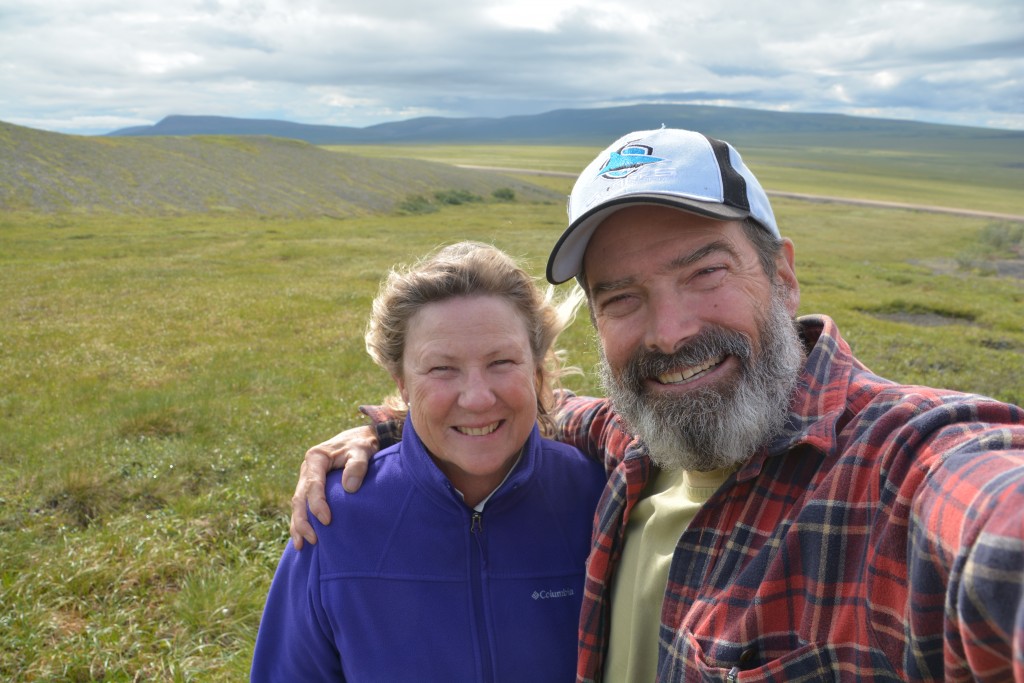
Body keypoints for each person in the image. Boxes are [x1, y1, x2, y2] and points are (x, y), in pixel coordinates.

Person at [289, 129, 1024, 682]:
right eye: (623, 297)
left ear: (782, 274)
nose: (669, 333)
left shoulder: (899, 471)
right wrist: (402, 428)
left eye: (705, 272)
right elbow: (530, 407)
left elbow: (990, 524)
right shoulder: (632, 443)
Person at [252, 242, 607, 681]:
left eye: (501, 362)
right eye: (442, 369)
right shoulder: (333, 519)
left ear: (536, 370)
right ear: (401, 383)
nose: (477, 398)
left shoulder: (600, 500)